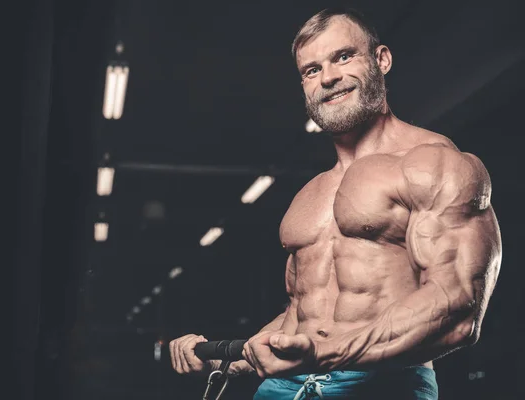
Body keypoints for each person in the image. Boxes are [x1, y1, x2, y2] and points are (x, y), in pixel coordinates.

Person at [169, 7, 502, 399]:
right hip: (282, 387)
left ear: (382, 59)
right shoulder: (310, 194)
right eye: (311, 70)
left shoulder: (435, 164)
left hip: (383, 383)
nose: (328, 77)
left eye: (344, 56)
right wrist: (232, 358)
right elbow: (304, 315)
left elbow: (458, 306)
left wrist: (328, 355)